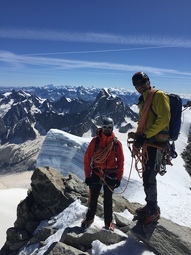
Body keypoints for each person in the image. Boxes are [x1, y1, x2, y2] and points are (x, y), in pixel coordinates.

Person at [128, 71, 171, 225]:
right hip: (150, 143)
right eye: (137, 85)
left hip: (156, 144)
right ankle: (150, 205)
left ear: (148, 81)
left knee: (149, 176)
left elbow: (164, 118)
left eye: (142, 83)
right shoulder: (145, 100)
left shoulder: (157, 96)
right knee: (147, 175)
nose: (140, 86)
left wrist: (145, 135)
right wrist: (139, 134)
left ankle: (153, 209)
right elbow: (146, 121)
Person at [82, 117, 124, 230]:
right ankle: (89, 218)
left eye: (109, 127)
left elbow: (121, 161)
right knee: (93, 198)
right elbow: (87, 158)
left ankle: (108, 222)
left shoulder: (116, 143)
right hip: (97, 172)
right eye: (105, 127)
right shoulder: (95, 141)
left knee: (108, 200)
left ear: (112, 128)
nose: (106, 130)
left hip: (110, 174)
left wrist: (119, 178)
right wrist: (87, 176)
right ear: (101, 127)